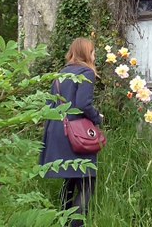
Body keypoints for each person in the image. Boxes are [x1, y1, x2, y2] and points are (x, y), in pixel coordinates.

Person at [40, 38, 103, 227]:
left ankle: (63, 220)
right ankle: (76, 224)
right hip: (77, 133)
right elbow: (84, 104)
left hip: (57, 130)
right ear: (85, 53)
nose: (95, 55)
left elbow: (49, 104)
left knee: (70, 178)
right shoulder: (86, 73)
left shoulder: (62, 73)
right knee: (88, 182)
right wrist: (98, 117)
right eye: (92, 51)